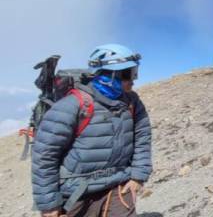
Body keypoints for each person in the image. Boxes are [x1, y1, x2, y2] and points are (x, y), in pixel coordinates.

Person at [32, 44, 152, 217]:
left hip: (118, 187)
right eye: (128, 74)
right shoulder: (71, 105)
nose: (134, 80)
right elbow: (45, 155)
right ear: (108, 75)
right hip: (75, 193)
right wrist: (49, 204)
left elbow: (143, 136)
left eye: (134, 72)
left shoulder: (131, 101)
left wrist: (138, 176)